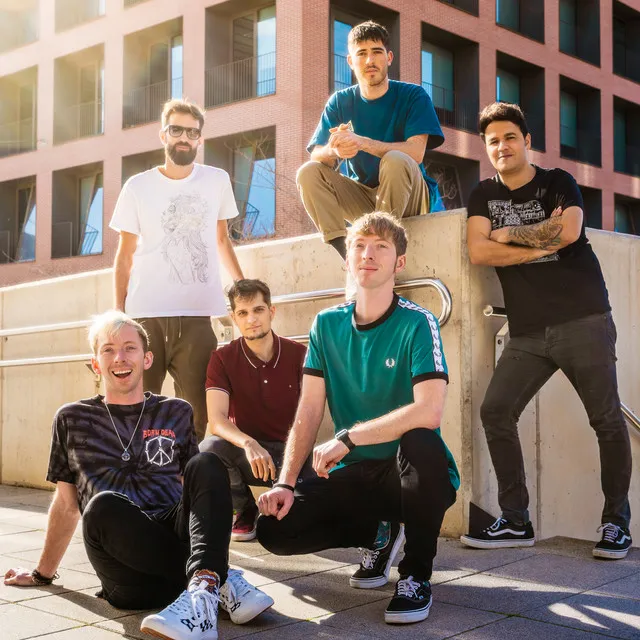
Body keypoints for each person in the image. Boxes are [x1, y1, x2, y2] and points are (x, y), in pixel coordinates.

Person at [3, 311, 273, 640]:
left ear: (147, 359)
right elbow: (66, 504)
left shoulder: (176, 411)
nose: (120, 357)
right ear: (95, 362)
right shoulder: (71, 418)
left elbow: (196, 492)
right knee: (101, 507)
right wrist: (41, 574)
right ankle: (220, 578)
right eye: (108, 349)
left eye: (130, 348)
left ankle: (202, 592)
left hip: (176, 534)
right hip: (126, 573)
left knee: (207, 464)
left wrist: (206, 536)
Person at [256, 212, 459, 625]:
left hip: (411, 475)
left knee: (421, 439)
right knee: (275, 528)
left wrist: (348, 437)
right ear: (347, 260)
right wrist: (285, 483)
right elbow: (309, 410)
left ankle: (416, 576)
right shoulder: (326, 325)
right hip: (355, 475)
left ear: (398, 263)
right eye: (359, 247)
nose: (368, 255)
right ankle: (379, 535)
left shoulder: (417, 323)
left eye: (381, 247)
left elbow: (430, 408)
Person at [461, 102, 633, 559]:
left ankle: (616, 523)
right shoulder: (482, 194)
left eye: (510, 137)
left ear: (527, 141)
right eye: (493, 140)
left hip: (584, 318)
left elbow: (570, 231)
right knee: (496, 412)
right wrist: (536, 242)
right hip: (528, 331)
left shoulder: (558, 182)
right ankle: (516, 521)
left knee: (607, 420)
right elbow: (478, 252)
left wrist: (506, 237)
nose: (502, 146)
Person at [110, 98, 244, 441]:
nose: (184, 137)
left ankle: (187, 488)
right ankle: (138, 489)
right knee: (137, 415)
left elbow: (221, 239)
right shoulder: (137, 187)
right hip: (145, 318)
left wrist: (242, 286)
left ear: (200, 139)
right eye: (176, 130)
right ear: (162, 135)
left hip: (198, 318)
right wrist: (118, 317)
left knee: (199, 418)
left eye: (192, 132)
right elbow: (124, 256)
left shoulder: (217, 180)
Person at [297, 21, 445, 262]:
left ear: (389, 57)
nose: (369, 61)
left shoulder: (413, 95)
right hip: (365, 198)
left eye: (376, 52)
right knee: (308, 172)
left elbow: (416, 152)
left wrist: (361, 142)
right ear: (350, 61)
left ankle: (382, 250)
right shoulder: (340, 102)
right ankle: (347, 257)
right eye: (361, 54)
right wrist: (333, 150)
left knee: (395, 159)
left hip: (411, 194)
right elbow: (316, 153)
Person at [200, 278, 311, 542]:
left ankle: (281, 497)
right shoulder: (222, 359)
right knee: (209, 450)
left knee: (292, 529)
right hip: (248, 456)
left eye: (258, 310)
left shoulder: (300, 354)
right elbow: (216, 420)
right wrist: (249, 443)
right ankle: (243, 507)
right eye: (243, 313)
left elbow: (310, 413)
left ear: (271, 312)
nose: (251, 319)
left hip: (292, 454)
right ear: (234, 318)